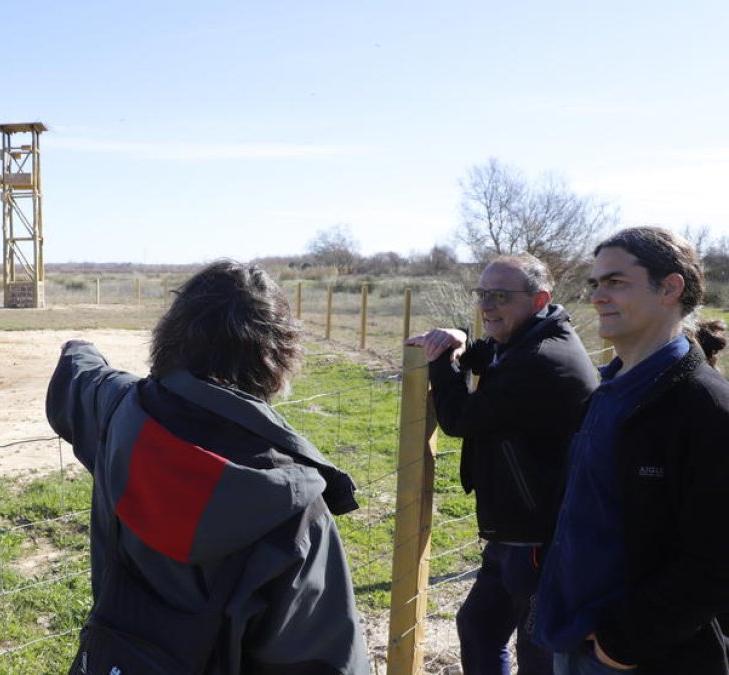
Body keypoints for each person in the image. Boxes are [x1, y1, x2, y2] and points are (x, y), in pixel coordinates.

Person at [46, 259, 370, 674]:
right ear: (279, 358)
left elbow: (77, 375)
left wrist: (81, 346)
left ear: (170, 336)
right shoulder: (294, 506)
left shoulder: (118, 411)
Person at [534, 226, 729, 674]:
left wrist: (620, 644)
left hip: (639, 657)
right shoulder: (607, 391)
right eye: (595, 284)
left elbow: (716, 562)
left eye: (616, 282)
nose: (598, 296)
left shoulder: (705, 409)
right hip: (574, 638)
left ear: (670, 288)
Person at [406, 254, 598, 675]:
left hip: (539, 537)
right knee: (478, 626)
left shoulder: (543, 359)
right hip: (516, 528)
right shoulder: (529, 340)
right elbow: (490, 355)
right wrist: (460, 339)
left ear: (539, 298)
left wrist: (441, 360)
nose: (486, 305)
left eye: (499, 296)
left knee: (538, 654)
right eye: (482, 294)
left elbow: (459, 419)